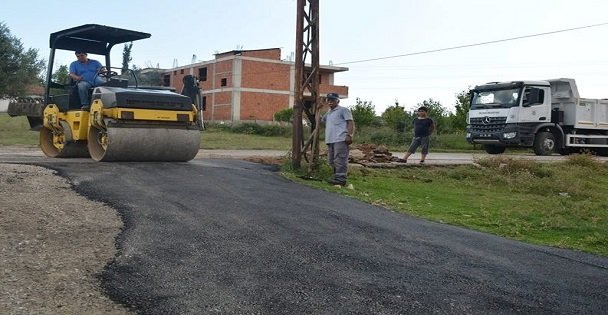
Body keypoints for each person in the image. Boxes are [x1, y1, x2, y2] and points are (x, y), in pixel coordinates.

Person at [321, 92, 355, 186]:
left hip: (340, 138)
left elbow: (350, 122)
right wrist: (317, 108)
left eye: (333, 100)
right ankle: (336, 177)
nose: (330, 102)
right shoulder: (328, 113)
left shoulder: (343, 110)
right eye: (329, 100)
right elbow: (320, 120)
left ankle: (341, 179)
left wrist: (349, 135)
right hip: (330, 139)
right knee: (331, 160)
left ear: (338, 101)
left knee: (340, 159)